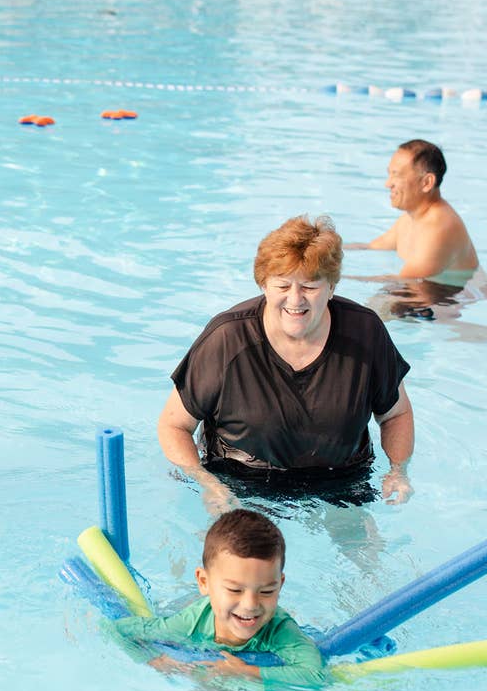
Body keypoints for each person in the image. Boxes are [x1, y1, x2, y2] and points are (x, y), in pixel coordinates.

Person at [158, 215, 414, 509]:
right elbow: (174, 426)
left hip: (343, 480)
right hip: (241, 482)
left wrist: (398, 472)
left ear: (331, 287)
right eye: (282, 286)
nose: (295, 300)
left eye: (310, 286)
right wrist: (207, 484)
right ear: (264, 285)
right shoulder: (226, 340)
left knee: (367, 550)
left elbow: (396, 415)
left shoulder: (366, 334)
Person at [110, 509, 328, 689]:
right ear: (204, 582)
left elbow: (315, 677)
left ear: (280, 585)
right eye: (235, 590)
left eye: (267, 591)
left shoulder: (280, 630)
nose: (251, 605)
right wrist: (154, 661)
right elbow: (115, 630)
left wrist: (245, 672)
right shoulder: (188, 624)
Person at [345, 140, 479, 281]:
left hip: (452, 296)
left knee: (387, 298)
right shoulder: (411, 217)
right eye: (389, 174)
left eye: (396, 175)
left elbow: (404, 282)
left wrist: (334, 280)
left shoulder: (438, 227)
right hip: (428, 290)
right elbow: (371, 247)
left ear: (426, 183)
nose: (388, 184)